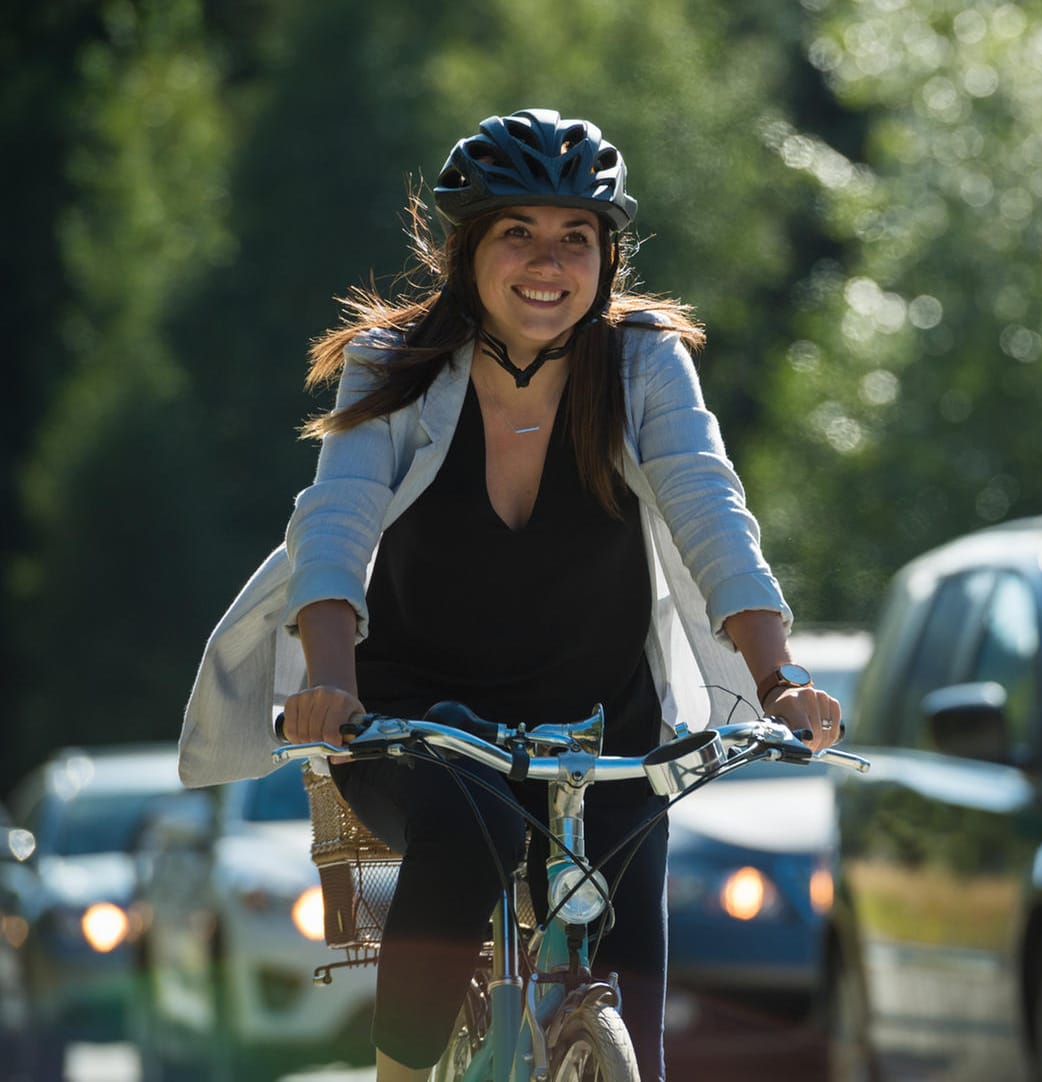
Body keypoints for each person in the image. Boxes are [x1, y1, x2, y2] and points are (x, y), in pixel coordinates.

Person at [179, 108, 841, 1082]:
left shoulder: (643, 361)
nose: (549, 260)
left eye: (577, 236)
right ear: (467, 248)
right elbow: (337, 519)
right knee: (470, 821)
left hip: (606, 725)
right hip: (420, 723)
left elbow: (711, 508)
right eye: (518, 232)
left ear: (607, 256)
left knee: (637, 1032)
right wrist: (327, 679)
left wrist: (778, 676)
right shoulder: (397, 365)